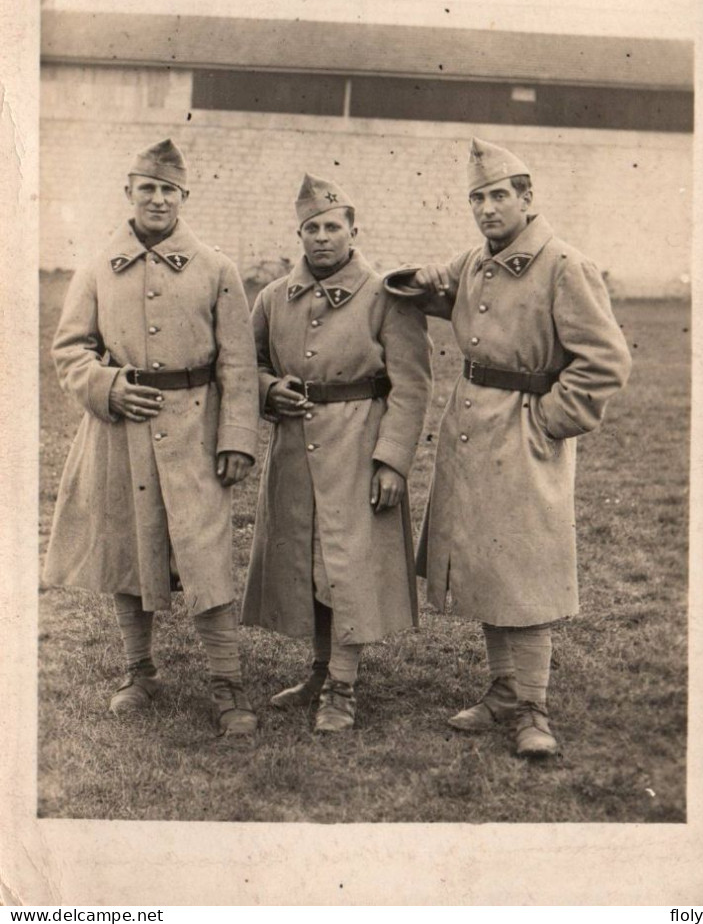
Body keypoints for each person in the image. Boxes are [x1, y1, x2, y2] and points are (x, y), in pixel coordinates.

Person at [384, 138, 631, 757]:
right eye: (477, 198)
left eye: (499, 195)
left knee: (524, 570)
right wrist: (423, 280)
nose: (488, 208)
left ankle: (533, 709)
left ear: (527, 198)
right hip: (471, 428)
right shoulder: (479, 259)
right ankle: (500, 691)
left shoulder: (564, 265)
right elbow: (466, 304)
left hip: (523, 433)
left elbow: (605, 362)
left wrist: (549, 419)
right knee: (488, 565)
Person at [43, 139, 261, 736]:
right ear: (129, 193)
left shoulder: (217, 269)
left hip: (196, 430)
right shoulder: (95, 266)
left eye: (169, 190)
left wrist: (237, 437)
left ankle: (227, 682)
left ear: (184, 197)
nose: (158, 199)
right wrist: (109, 387)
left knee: (205, 550)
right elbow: (69, 350)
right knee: (128, 547)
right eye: (148, 188)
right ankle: (138, 671)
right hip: (121, 433)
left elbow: (238, 365)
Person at [241, 173, 431, 733]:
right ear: (298, 234)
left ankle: (344, 688)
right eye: (311, 228)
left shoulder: (385, 297)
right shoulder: (274, 298)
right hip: (296, 445)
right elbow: (247, 366)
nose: (322, 237)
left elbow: (414, 385)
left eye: (332, 226)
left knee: (349, 564)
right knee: (309, 559)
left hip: (360, 443)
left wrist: (392, 459)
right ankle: (321, 672)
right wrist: (268, 390)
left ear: (353, 230)